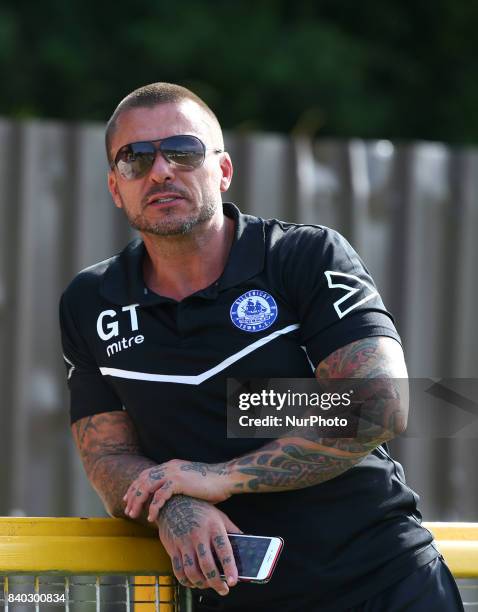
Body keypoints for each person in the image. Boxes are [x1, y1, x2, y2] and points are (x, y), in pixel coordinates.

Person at [59, 82, 464, 611]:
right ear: (115, 187)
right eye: (135, 158)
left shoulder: (304, 257)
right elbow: (109, 454)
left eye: (183, 150)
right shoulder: (91, 301)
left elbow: (378, 405)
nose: (160, 172)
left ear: (223, 170)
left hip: (383, 586)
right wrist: (175, 505)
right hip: (234, 597)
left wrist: (218, 478)